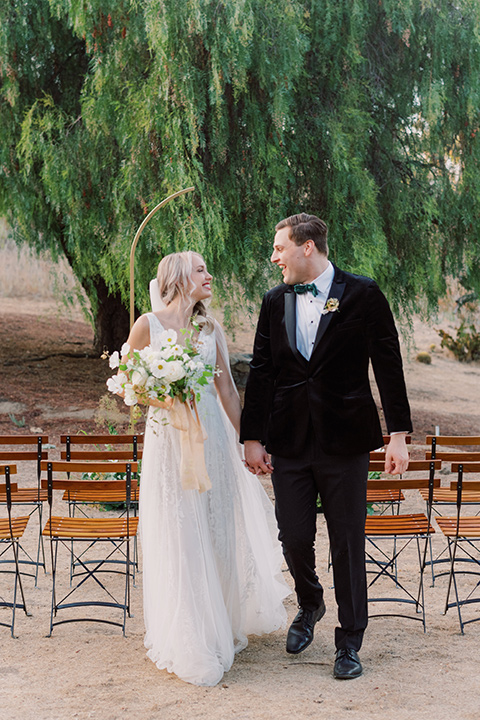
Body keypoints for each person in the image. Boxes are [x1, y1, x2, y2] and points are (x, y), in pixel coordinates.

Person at [240, 213, 412, 680]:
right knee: (293, 536)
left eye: (280, 248)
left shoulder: (364, 293)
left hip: (345, 441)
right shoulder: (275, 301)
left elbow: (388, 362)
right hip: (290, 441)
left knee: (348, 542)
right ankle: (310, 600)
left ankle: (349, 641)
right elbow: (261, 371)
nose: (274, 257)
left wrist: (398, 435)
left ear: (307, 247)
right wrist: (252, 438)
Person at [122, 251, 289, 687]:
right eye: (201, 270)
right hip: (169, 441)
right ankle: (189, 633)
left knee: (215, 528)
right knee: (180, 530)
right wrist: (163, 391)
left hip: (212, 438)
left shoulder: (209, 328)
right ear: (178, 277)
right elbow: (129, 385)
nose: (209, 275)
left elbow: (229, 392)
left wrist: (251, 442)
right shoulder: (148, 326)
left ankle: (220, 624)